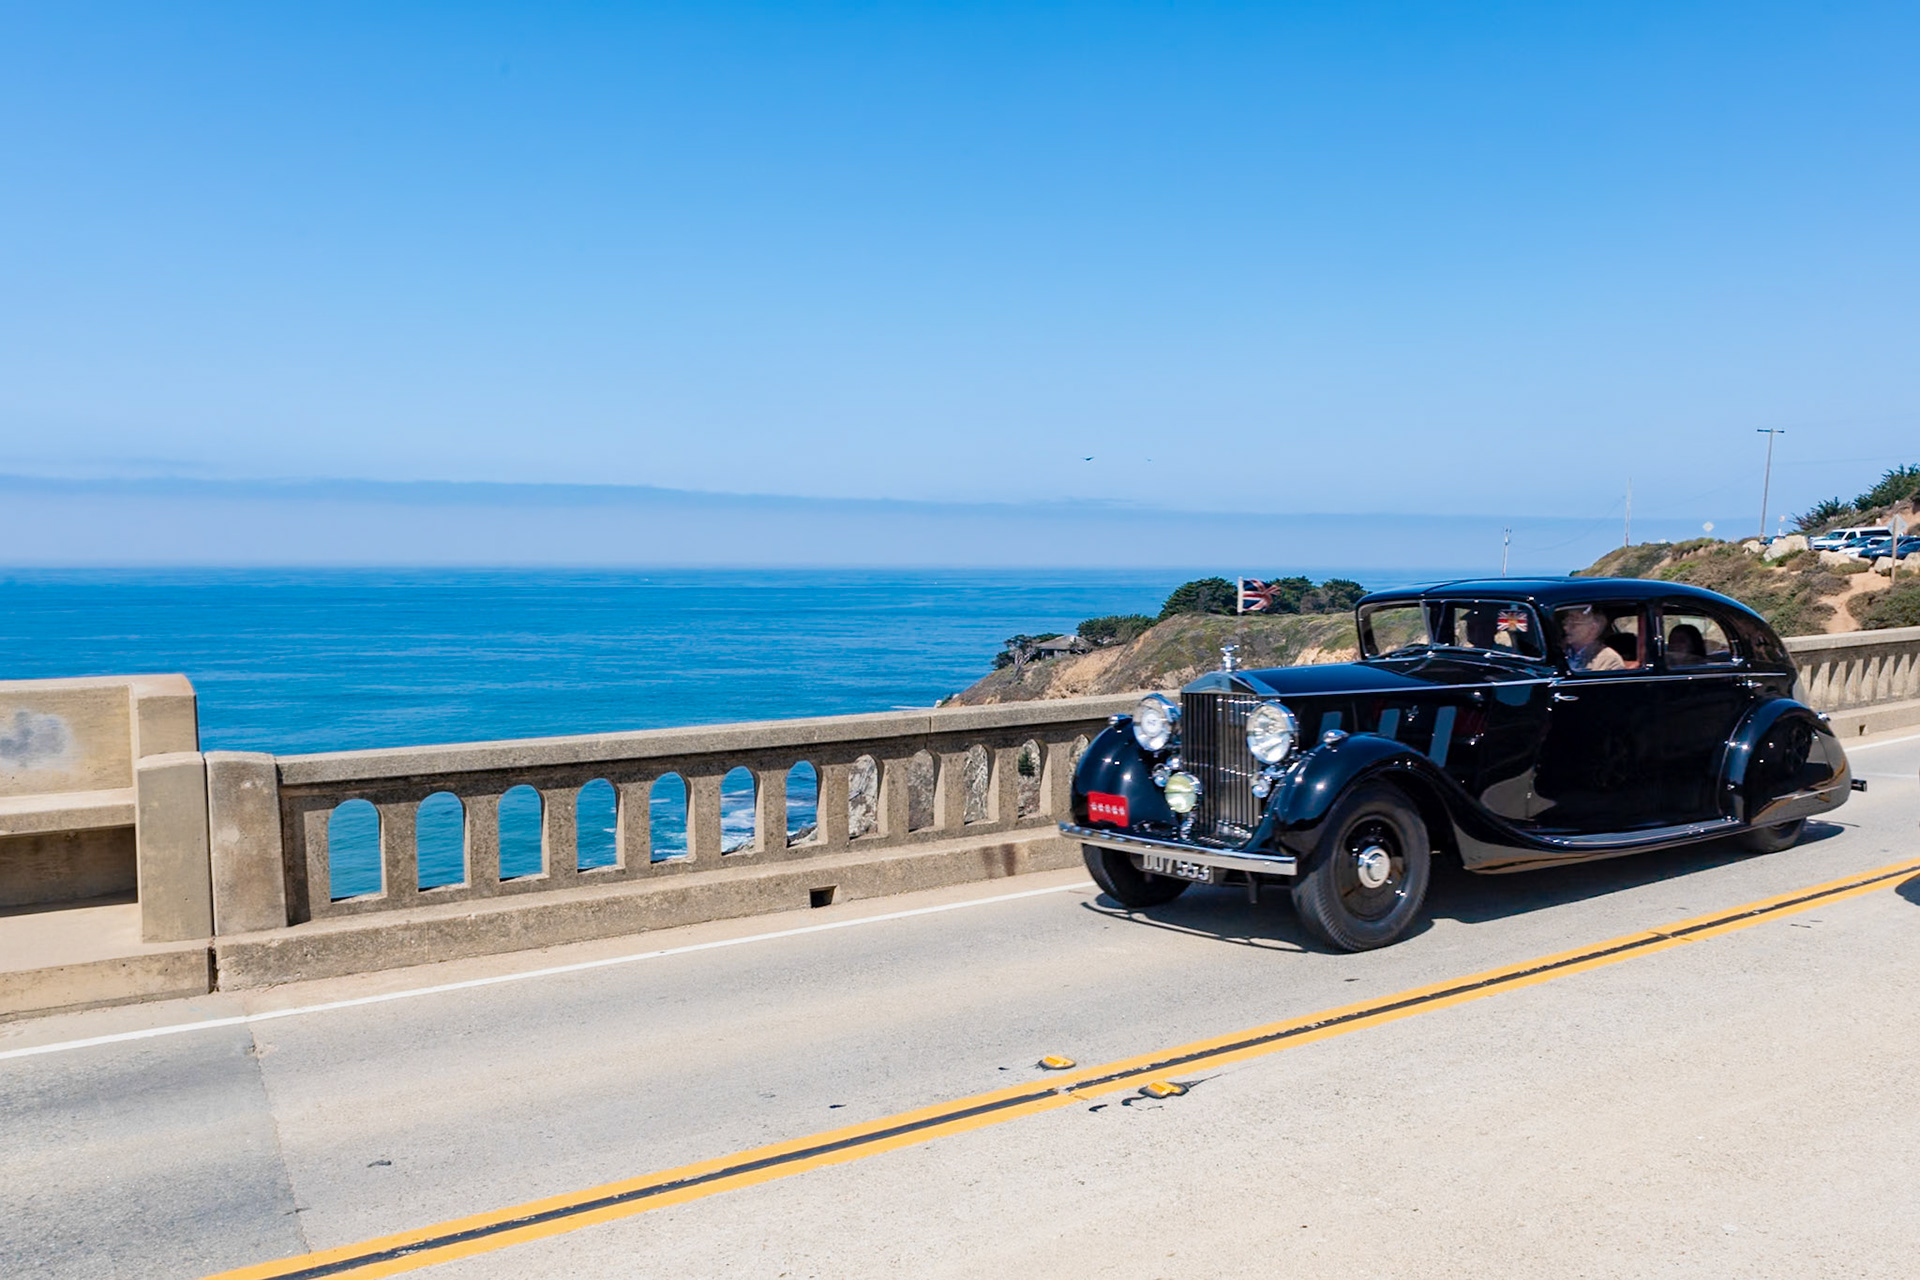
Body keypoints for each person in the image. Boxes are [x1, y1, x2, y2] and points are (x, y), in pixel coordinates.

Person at [1561, 606, 1625, 672]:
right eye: (1565, 622)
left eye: (1574, 624)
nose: (1565, 628)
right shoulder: (1561, 652)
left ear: (1593, 628)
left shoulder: (1609, 659)